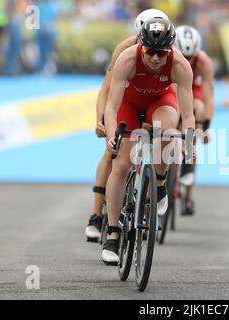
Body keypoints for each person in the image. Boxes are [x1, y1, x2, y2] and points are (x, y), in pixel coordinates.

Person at [101, 17, 195, 264]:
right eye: (150, 52)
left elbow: (187, 115)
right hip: (128, 105)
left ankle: (160, 182)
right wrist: (113, 136)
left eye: (161, 53)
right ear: (141, 46)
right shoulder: (127, 59)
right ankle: (113, 233)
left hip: (160, 102)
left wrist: (189, 143)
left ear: (170, 51)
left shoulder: (181, 66)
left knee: (167, 131)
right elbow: (111, 108)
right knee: (120, 164)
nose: (155, 58)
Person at [85, 8, 169, 242]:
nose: (155, 53)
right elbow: (107, 88)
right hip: (124, 100)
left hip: (152, 101)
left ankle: (145, 203)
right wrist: (100, 118)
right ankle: (96, 215)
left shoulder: (167, 53)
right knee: (113, 153)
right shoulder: (124, 50)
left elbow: (173, 93)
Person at [174, 25, 215, 216]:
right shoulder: (168, 57)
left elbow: (208, 98)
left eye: (192, 57)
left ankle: (188, 196)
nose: (188, 61)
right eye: (184, 56)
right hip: (172, 87)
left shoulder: (204, 62)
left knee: (197, 110)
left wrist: (205, 125)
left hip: (193, 90)